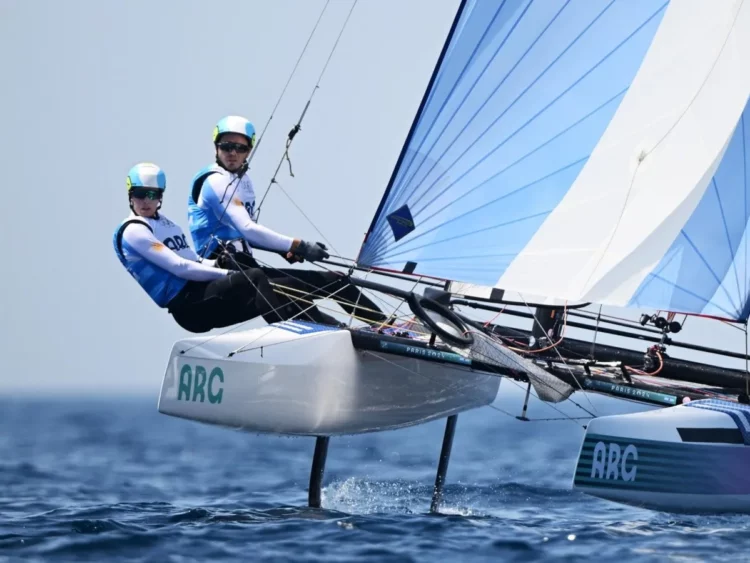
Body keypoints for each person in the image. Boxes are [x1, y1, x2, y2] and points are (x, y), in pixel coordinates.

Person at [186, 115, 387, 325]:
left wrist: (283, 250)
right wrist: (299, 245)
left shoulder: (242, 181)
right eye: (227, 146)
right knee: (306, 288)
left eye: (241, 148)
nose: (233, 153)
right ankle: (375, 330)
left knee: (334, 282)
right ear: (216, 147)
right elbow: (247, 229)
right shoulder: (215, 181)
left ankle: (379, 329)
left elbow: (245, 235)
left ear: (249, 151)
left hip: (247, 264)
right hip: (230, 269)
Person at [113, 162, 342, 333]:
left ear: (160, 197)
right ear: (130, 196)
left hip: (203, 295)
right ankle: (291, 336)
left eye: (152, 195)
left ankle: (336, 330)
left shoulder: (168, 225)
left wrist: (216, 262)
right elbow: (181, 267)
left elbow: (194, 260)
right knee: (254, 276)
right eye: (139, 195)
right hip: (188, 307)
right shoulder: (134, 231)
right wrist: (229, 273)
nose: (145, 201)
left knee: (279, 289)